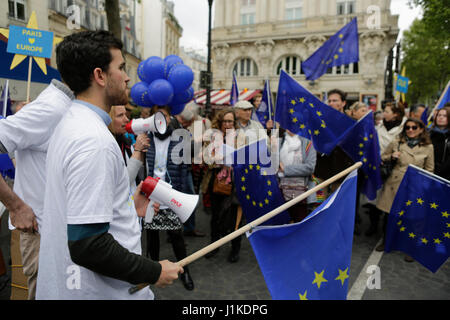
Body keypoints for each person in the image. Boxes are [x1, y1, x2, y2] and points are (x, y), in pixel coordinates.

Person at [36, 30, 182, 300]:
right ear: (100, 76)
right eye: (122, 68)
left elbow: (77, 208)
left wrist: (125, 204)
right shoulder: (93, 140)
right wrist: (152, 271)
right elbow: (88, 245)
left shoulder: (72, 123)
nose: (128, 77)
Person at [0, 79, 74, 299]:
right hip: (42, 234)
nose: (126, 78)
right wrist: (15, 205)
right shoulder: (50, 108)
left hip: (63, 235)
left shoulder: (67, 108)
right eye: (118, 68)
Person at [143, 105, 194, 291]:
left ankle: (184, 270)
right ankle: (153, 272)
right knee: (152, 238)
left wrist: (179, 197)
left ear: (169, 117)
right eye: (156, 115)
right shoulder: (145, 138)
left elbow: (184, 170)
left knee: (176, 237)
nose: (160, 119)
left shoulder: (180, 138)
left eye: (163, 115)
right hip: (150, 196)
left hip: (171, 195)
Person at [375, 118, 434, 261]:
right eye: (408, 127)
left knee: (412, 217)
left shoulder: (428, 147)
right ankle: (386, 240)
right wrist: (392, 156)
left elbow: (430, 169)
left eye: (414, 127)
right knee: (390, 215)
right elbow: (382, 156)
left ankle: (410, 247)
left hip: (415, 185)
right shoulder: (397, 142)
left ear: (421, 129)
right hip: (395, 182)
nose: (411, 130)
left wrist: (423, 185)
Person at [202, 108, 242, 263]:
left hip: (235, 183)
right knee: (215, 216)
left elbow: (247, 157)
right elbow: (205, 159)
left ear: (234, 123)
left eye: (230, 121)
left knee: (234, 218)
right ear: (220, 122)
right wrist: (215, 160)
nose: (227, 124)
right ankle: (214, 246)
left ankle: (235, 248)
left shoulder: (241, 136)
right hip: (216, 182)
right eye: (224, 121)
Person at [365, 101, 406, 236]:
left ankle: (388, 231)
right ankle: (373, 225)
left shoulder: (405, 128)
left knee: (390, 201)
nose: (383, 114)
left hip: (396, 169)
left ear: (396, 115)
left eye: (387, 111)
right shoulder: (378, 128)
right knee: (374, 198)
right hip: (378, 167)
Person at [277, 130, 317, 222]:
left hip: (302, 195)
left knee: (300, 227)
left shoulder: (307, 143)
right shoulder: (278, 142)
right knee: (283, 226)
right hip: (281, 193)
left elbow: (310, 167)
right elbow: (274, 166)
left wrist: (286, 169)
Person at [109, 105, 149, 188]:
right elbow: (124, 183)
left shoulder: (126, 143)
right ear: (109, 119)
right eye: (120, 115)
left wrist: (140, 155)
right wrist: (137, 151)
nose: (126, 119)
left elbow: (140, 176)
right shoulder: (108, 148)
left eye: (125, 115)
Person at [430, 106, 450, 180]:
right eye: (439, 115)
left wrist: (438, 173)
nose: (441, 118)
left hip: (443, 178)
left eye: (444, 116)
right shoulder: (428, 134)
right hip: (427, 173)